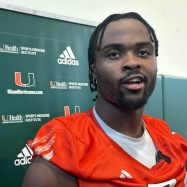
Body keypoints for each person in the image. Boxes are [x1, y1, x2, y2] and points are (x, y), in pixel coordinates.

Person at [22, 12, 187, 187]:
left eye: (143, 52)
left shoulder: (169, 138)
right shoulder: (65, 148)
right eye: (114, 54)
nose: (132, 62)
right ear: (94, 69)